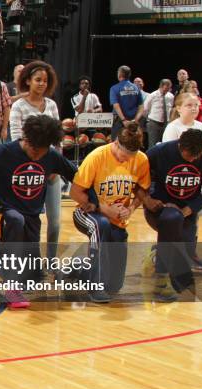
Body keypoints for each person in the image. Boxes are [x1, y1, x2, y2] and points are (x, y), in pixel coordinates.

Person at [0, 114, 77, 307]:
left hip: (32, 219)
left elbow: (77, 175)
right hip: (2, 215)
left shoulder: (51, 155)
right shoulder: (2, 153)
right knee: (15, 220)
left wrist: (91, 199)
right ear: (26, 140)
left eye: (42, 153)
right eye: (35, 150)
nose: (37, 156)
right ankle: (11, 288)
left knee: (32, 277)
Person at [70, 122, 160, 303]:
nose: (125, 160)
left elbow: (141, 191)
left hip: (117, 219)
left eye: (129, 158)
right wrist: (104, 208)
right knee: (100, 225)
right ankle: (95, 287)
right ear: (116, 143)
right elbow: (75, 192)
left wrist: (131, 209)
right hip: (88, 212)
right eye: (122, 156)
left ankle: (76, 269)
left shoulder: (141, 160)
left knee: (114, 285)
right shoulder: (97, 157)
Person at [145, 129, 202, 301]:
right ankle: (161, 281)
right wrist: (147, 199)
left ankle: (156, 256)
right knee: (172, 221)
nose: (192, 160)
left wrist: (187, 210)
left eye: (195, 157)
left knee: (184, 245)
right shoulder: (158, 152)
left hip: (187, 211)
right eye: (188, 156)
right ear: (179, 145)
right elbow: (138, 180)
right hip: (159, 209)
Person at [9, 60, 61, 257]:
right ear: (28, 81)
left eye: (45, 81)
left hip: (51, 172)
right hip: (27, 172)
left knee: (55, 222)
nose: (42, 84)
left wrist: (55, 168)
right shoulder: (18, 106)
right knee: (30, 221)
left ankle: (52, 260)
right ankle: (29, 262)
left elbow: (58, 140)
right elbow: (15, 140)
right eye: (38, 80)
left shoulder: (52, 105)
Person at [110, 65, 144, 140]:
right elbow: (141, 107)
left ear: (120, 74)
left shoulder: (114, 88)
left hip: (120, 122)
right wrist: (136, 120)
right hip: (133, 123)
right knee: (131, 145)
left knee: (116, 146)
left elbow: (116, 106)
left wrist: (124, 120)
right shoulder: (136, 88)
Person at [144, 79, 174, 148]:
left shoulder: (171, 96)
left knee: (165, 144)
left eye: (168, 89)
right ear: (161, 86)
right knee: (153, 144)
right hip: (154, 123)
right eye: (165, 89)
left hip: (166, 123)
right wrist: (149, 119)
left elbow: (171, 108)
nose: (166, 91)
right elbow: (145, 109)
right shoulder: (152, 95)